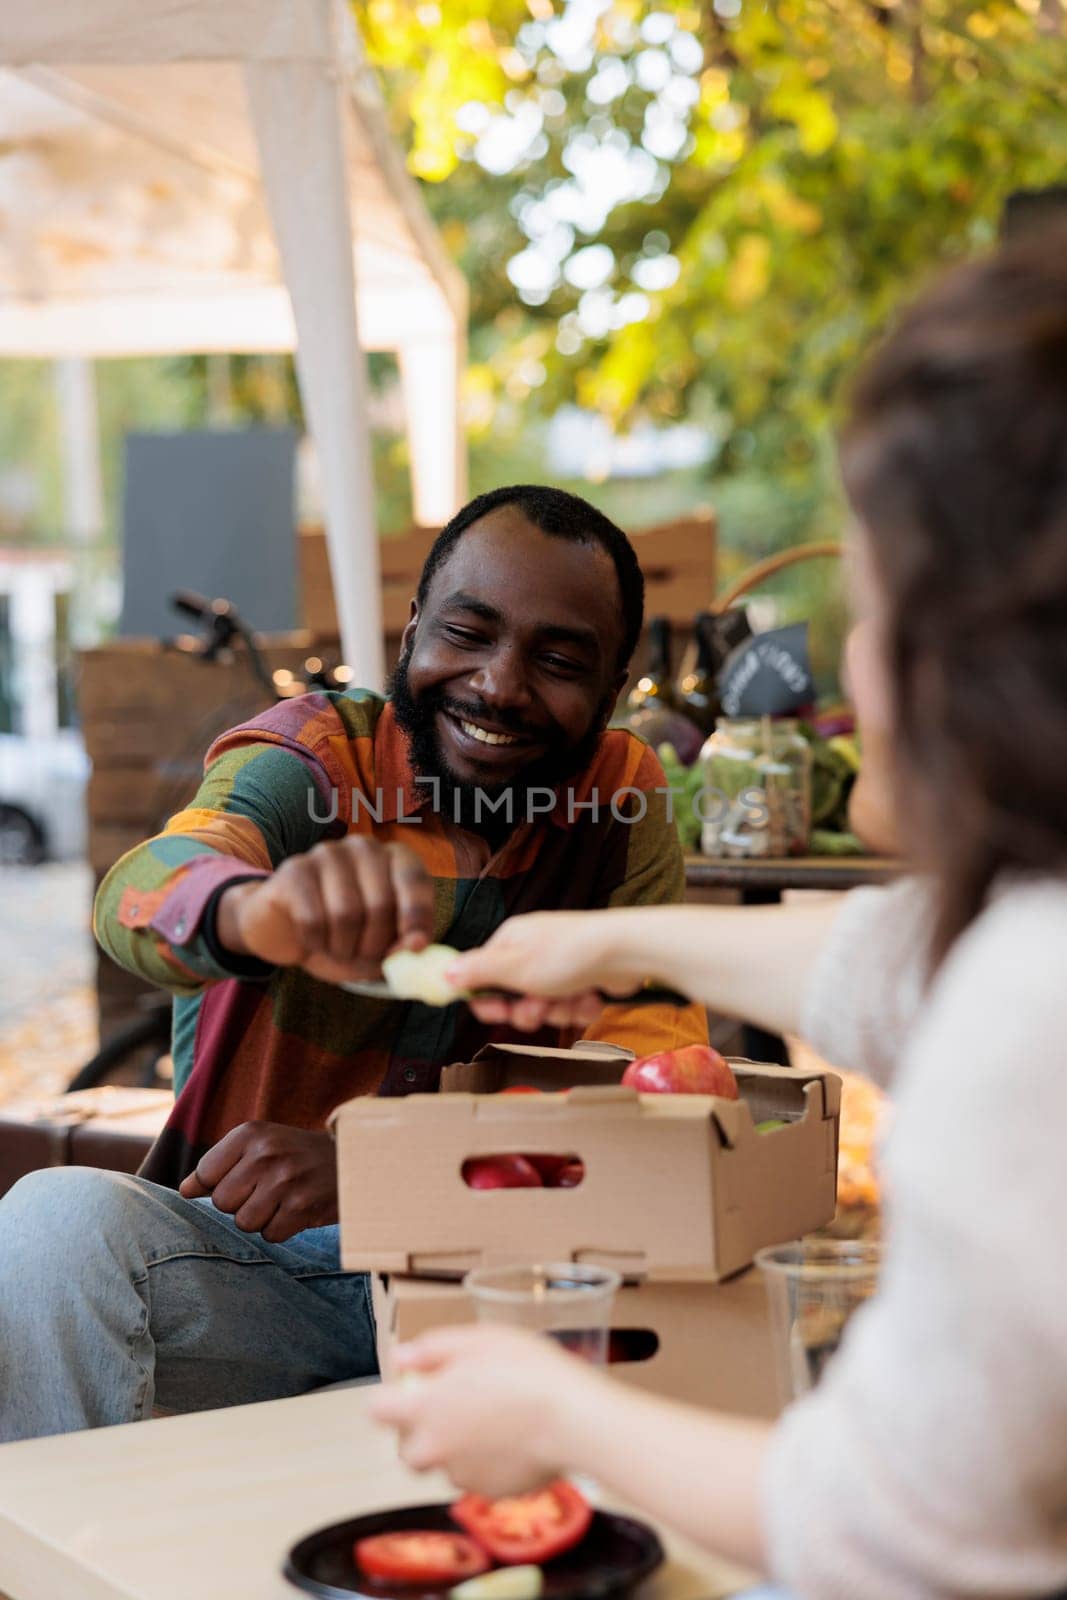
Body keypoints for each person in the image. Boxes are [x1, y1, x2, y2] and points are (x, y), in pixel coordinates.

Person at [372, 236, 1067, 1599]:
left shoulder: (1022, 1023)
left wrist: (553, 1411)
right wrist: (613, 942)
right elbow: (907, 971)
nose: (843, 665)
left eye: (864, 608)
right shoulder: (1017, 959)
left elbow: (879, 1530)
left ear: (969, 653)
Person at [0, 484, 705, 1442]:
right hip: (272, 1275)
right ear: (412, 630)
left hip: (506, 1278)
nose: (498, 684)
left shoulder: (623, 804)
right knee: (55, 1224)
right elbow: (143, 890)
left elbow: (650, 1089)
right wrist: (255, 910)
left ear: (613, 691)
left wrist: (383, 1168)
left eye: (557, 659)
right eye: (468, 631)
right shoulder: (313, 761)